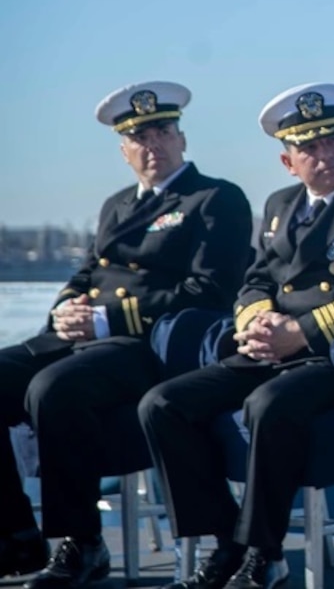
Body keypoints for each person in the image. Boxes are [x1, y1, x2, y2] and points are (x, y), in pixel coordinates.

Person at [139, 83, 334, 589]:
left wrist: (302, 331)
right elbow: (257, 277)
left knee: (269, 405)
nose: (325, 154)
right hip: (273, 348)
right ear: (287, 160)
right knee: (163, 404)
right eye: (309, 147)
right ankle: (226, 540)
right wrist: (255, 318)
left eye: (333, 141)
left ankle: (263, 554)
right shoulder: (279, 206)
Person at [0, 82, 252, 588]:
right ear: (124, 150)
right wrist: (66, 308)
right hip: (85, 337)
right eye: (139, 136)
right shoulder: (117, 204)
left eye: (162, 131)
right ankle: (14, 538)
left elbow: (209, 291)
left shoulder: (214, 199)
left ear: (181, 138)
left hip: (152, 344)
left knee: (54, 389)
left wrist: (107, 319)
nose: (152, 144)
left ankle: (82, 544)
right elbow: (89, 271)